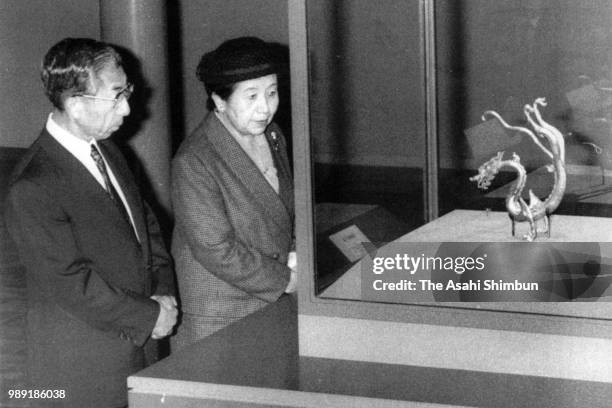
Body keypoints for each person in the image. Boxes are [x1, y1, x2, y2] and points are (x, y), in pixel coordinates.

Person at [5, 38, 177, 408]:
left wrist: (162, 296)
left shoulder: (108, 149)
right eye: (116, 96)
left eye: (126, 91)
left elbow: (146, 227)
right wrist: (149, 315)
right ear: (76, 104)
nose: (128, 108)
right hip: (83, 370)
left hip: (140, 343)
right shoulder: (32, 186)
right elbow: (71, 284)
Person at [171, 37, 296, 350]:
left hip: (267, 294)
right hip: (222, 310)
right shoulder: (195, 160)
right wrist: (287, 280)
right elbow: (216, 249)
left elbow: (281, 210)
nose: (265, 107)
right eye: (251, 96)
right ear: (219, 101)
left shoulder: (273, 135)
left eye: (272, 92)